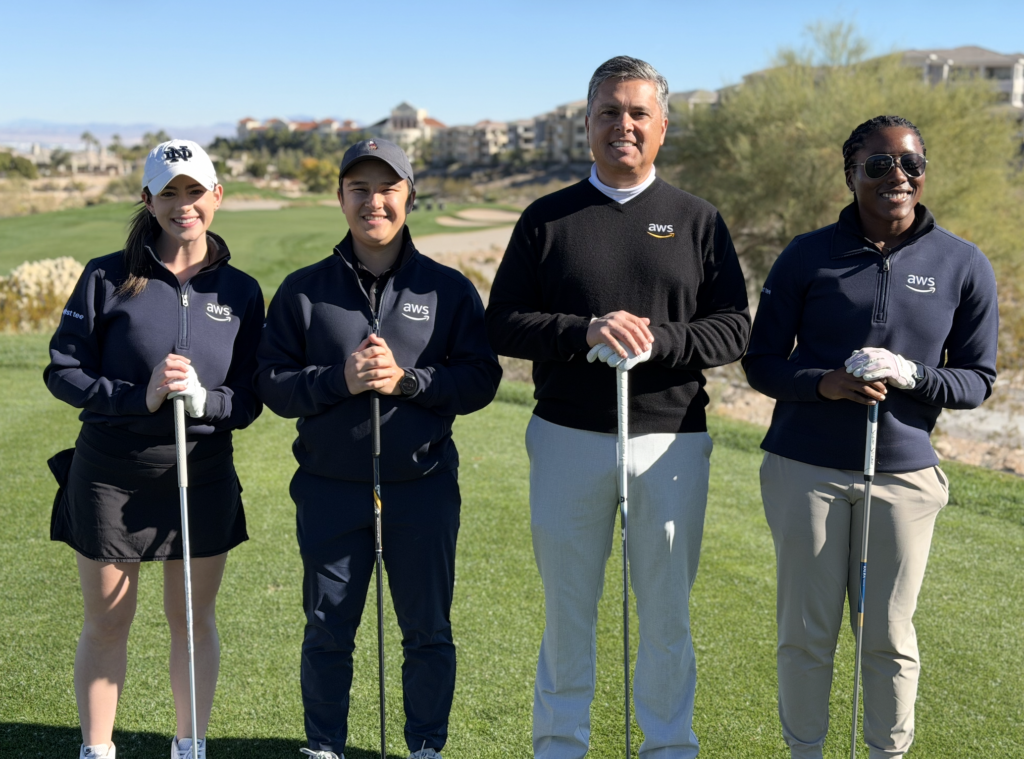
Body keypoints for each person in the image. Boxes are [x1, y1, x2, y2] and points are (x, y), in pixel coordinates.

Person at [485, 56, 750, 758]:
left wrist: (656, 341)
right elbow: (503, 322)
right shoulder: (546, 218)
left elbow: (733, 328)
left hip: (671, 442)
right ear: (587, 123)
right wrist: (585, 332)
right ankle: (559, 745)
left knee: (666, 615)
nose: (623, 125)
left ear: (662, 126)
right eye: (609, 111)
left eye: (638, 113)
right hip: (567, 436)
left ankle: (668, 747)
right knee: (568, 612)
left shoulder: (697, 219)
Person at [743, 115, 999, 759]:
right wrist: (825, 383)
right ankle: (805, 751)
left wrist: (913, 374)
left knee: (888, 635)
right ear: (851, 173)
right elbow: (762, 362)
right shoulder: (807, 254)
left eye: (911, 164)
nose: (897, 177)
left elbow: (977, 379)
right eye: (879, 165)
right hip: (805, 467)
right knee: (806, 633)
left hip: (905, 477)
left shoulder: (962, 263)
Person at [255, 139, 501, 759]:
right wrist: (339, 380)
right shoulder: (304, 290)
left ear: (409, 197)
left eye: (388, 189)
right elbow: (272, 385)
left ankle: (425, 746)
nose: (374, 202)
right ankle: (325, 746)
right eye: (359, 189)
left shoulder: (447, 288)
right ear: (340, 198)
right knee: (327, 628)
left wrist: (409, 382)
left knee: (427, 630)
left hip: (422, 487)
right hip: (329, 489)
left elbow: (480, 379)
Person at [44, 140, 265, 759]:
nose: (182, 205)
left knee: (192, 620)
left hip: (202, 473)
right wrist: (134, 397)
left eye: (194, 191)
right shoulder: (105, 276)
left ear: (217, 195)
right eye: (168, 193)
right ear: (147, 199)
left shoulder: (242, 291)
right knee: (108, 620)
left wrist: (207, 402)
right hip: (111, 474)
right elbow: (63, 371)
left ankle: (190, 746)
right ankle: (97, 749)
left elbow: (252, 397)